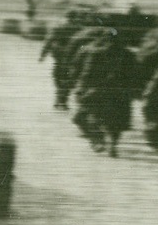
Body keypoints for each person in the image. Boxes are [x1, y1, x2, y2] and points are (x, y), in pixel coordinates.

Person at [73, 29, 139, 157]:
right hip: (121, 94)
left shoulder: (96, 53)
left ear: (105, 39)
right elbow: (136, 76)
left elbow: (87, 73)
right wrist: (133, 92)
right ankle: (112, 142)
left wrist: (80, 90)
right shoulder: (129, 55)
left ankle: (98, 140)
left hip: (98, 91)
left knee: (81, 117)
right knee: (116, 121)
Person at [39, 16, 81, 110]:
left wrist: (43, 55)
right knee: (68, 78)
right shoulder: (79, 29)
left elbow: (49, 41)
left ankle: (59, 99)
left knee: (58, 77)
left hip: (60, 56)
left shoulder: (59, 27)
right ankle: (62, 100)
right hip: (71, 58)